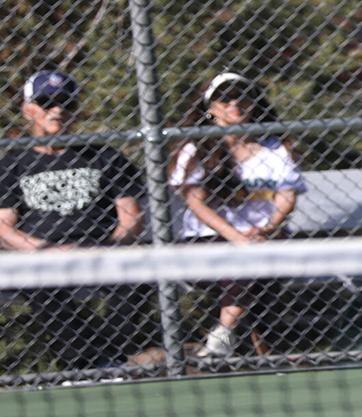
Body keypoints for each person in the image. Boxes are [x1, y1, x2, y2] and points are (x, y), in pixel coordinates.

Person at [0, 70, 152, 373]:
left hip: (101, 251)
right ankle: (94, 365)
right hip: (41, 259)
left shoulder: (106, 157)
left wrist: (105, 248)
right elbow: (4, 227)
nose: (58, 110)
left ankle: (102, 362)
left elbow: (131, 218)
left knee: (138, 279)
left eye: (66, 103)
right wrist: (44, 250)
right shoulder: (12, 164)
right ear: (28, 109)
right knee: (40, 289)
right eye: (46, 102)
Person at [167, 72, 306, 358]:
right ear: (210, 107)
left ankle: (227, 338)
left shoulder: (275, 147)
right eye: (224, 98)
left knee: (257, 266)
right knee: (244, 265)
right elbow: (196, 203)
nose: (235, 103)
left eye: (242, 96)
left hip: (265, 237)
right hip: (207, 240)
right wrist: (235, 237)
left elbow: (287, 197)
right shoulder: (195, 149)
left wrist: (266, 229)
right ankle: (229, 339)